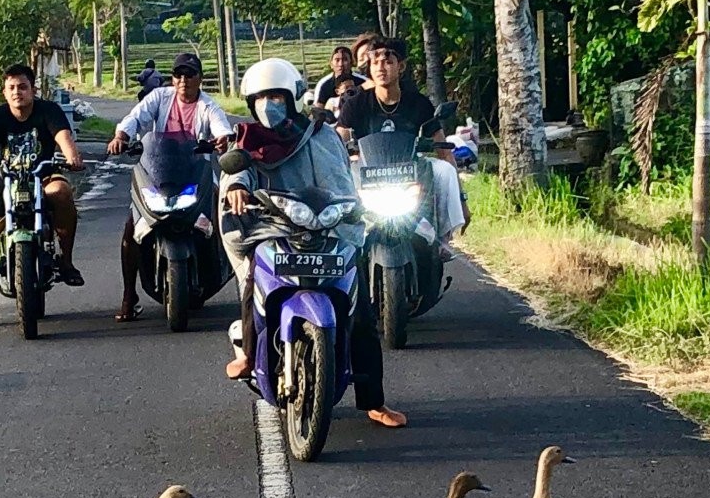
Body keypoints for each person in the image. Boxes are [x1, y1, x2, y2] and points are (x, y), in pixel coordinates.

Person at [220, 57, 405, 430]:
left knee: (362, 314)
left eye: (277, 96)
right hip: (274, 228)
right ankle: (250, 350)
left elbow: (340, 182)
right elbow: (237, 170)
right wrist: (238, 187)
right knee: (253, 278)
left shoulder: (320, 135)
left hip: (328, 229)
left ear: (293, 98)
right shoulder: (248, 138)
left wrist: (352, 212)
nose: (269, 105)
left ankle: (374, 401)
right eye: (261, 98)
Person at [107, 52, 237, 322]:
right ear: (172, 78)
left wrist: (223, 139)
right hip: (159, 174)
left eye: (190, 74)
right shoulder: (159, 97)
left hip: (197, 174)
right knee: (132, 228)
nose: (183, 80)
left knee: (221, 214)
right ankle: (129, 296)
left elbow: (221, 128)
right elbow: (135, 118)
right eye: (179, 74)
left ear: (199, 78)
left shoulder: (208, 105)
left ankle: (220, 269)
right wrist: (121, 136)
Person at [0, 63, 85, 328]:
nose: (18, 92)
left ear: (33, 89)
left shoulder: (48, 110)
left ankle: (66, 260)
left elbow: (62, 135)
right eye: (12, 88)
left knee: (62, 192)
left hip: (44, 175)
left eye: (23, 87)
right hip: (6, 182)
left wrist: (72, 156)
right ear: (5, 92)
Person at [336, 34, 468, 249]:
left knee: (444, 169)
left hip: (412, 173)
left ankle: (443, 240)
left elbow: (443, 148)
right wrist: (344, 151)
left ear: (401, 66)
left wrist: (462, 200)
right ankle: (343, 241)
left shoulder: (419, 103)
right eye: (376, 62)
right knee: (342, 174)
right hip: (367, 173)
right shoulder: (355, 104)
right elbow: (338, 139)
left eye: (388, 62)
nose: (381, 68)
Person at [314, 44, 361, 117]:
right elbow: (318, 110)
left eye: (345, 59)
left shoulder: (363, 82)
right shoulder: (323, 84)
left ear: (351, 62)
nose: (341, 64)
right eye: (337, 60)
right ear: (331, 64)